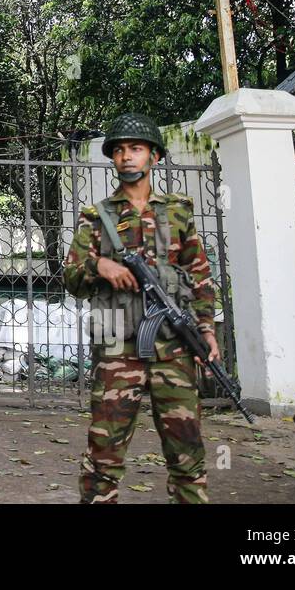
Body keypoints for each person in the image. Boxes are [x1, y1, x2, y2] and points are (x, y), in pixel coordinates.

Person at [62, 112, 218, 504]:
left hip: (175, 349)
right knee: (105, 453)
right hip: (117, 347)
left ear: (154, 157)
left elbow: (198, 275)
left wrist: (207, 329)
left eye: (135, 149)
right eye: (119, 151)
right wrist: (100, 264)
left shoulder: (179, 211)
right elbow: (70, 276)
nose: (126, 157)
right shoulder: (96, 218)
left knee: (187, 453)